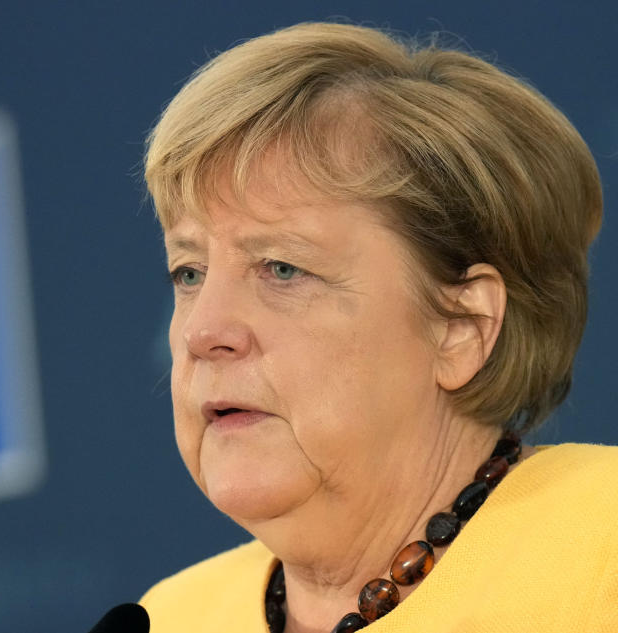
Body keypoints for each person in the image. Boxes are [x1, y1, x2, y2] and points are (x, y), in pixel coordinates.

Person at [138, 22, 617, 633]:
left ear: (462, 327)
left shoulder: (604, 550)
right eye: (189, 273)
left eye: (283, 268)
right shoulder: (169, 617)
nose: (201, 331)